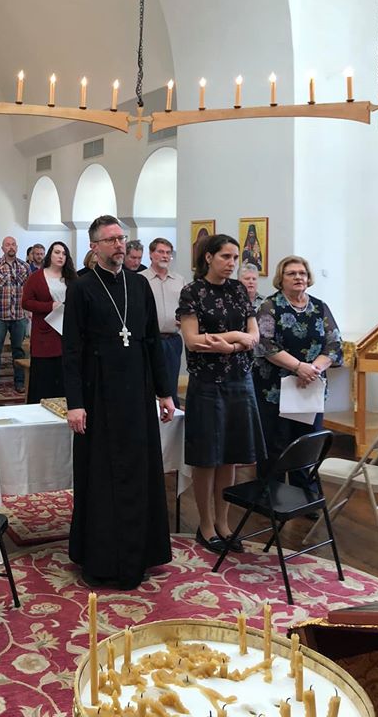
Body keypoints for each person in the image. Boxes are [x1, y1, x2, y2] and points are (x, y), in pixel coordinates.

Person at [63, 215, 175, 589]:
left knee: (138, 474)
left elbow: (152, 341)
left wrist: (164, 392)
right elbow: (72, 350)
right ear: (94, 247)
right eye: (110, 240)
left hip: (138, 394)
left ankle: (139, 554)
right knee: (101, 476)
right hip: (97, 394)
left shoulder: (138, 285)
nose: (119, 245)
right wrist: (75, 403)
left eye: (121, 238)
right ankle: (101, 559)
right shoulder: (81, 288)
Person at [177, 233, 264, 555]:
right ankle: (206, 525)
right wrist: (236, 336)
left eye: (235, 258)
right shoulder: (193, 291)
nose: (231, 263)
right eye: (225, 257)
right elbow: (192, 340)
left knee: (230, 455)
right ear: (208, 257)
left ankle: (224, 523)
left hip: (239, 379)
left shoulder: (238, 289)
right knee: (207, 457)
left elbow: (254, 335)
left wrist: (231, 345)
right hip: (207, 382)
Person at [253, 255, 343, 490]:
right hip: (274, 390)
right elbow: (265, 344)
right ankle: (270, 497)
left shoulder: (319, 307)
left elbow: (334, 344)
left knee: (307, 445)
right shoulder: (269, 306)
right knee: (275, 446)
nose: (298, 277)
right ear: (280, 279)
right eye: (291, 273)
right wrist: (298, 367)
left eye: (302, 273)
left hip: (310, 387)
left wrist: (313, 369)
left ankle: (304, 497)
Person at [22, 241, 76, 404]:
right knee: (44, 375)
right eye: (57, 252)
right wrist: (49, 306)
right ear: (50, 255)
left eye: (64, 253)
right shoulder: (37, 277)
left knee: (64, 372)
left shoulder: (72, 278)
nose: (60, 256)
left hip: (66, 331)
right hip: (45, 331)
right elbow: (26, 302)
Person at [0, 236, 31, 396]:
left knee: (19, 350)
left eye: (13, 244)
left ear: (17, 247)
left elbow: (29, 289)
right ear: (2, 248)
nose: (11, 247)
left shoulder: (24, 266)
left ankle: (19, 382)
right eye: (8, 245)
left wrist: (29, 310)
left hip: (19, 314)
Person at [140, 237, 185, 409]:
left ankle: (172, 417)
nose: (165, 256)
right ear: (151, 254)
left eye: (168, 253)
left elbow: (186, 307)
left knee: (170, 383)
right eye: (160, 252)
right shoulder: (140, 279)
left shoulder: (179, 280)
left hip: (172, 339)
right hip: (149, 339)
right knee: (148, 382)